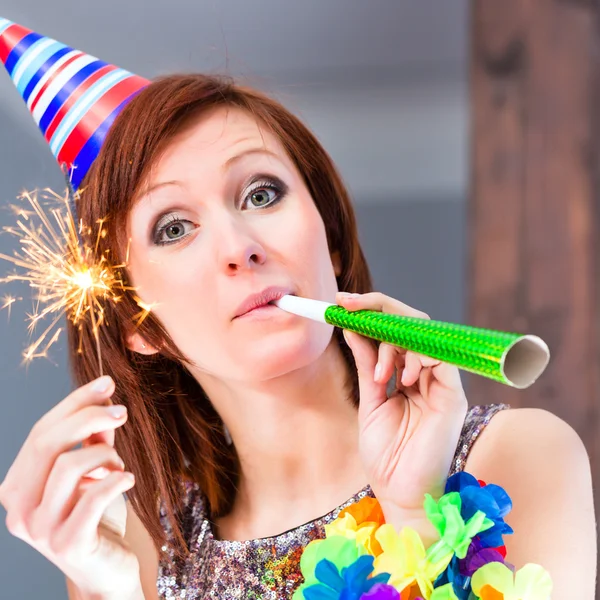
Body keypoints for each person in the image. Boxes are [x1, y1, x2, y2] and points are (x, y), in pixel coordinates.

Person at [0, 72, 596, 599]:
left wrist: (415, 511)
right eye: (174, 227)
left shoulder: (518, 458)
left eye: (261, 194)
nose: (239, 247)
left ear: (331, 240)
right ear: (139, 326)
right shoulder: (136, 550)